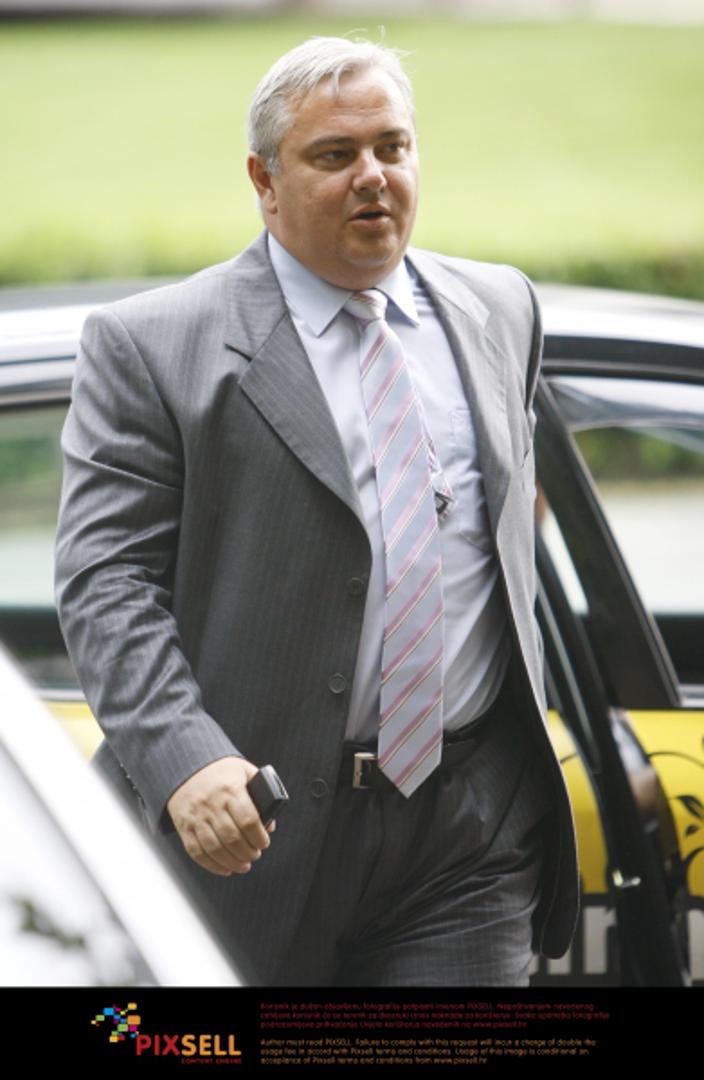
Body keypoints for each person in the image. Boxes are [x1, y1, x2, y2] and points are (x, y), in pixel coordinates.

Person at [55, 36, 578, 986]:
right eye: (335, 155)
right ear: (264, 180)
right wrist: (184, 759)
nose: (373, 176)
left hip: (469, 830)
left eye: (392, 147)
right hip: (254, 826)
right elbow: (106, 582)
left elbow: (496, 535)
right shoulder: (154, 347)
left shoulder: (501, 310)